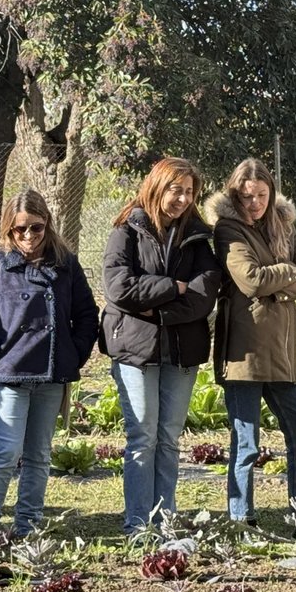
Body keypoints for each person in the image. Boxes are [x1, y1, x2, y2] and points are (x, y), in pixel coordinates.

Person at [0, 190, 99, 537]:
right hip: (7, 372)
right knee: (6, 451)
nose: (27, 237)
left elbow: (86, 314)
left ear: (47, 224)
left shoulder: (65, 262)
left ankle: (28, 524)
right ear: (8, 229)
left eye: (35, 228)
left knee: (39, 454)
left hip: (51, 372)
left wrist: (73, 351)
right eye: (18, 230)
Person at [101, 158, 220, 534]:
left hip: (182, 350)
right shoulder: (127, 229)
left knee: (168, 438)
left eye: (188, 191)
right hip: (135, 350)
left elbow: (204, 295)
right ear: (157, 187)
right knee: (142, 436)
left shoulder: (199, 236)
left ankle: (164, 519)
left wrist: (157, 306)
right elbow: (119, 288)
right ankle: (137, 523)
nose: (182, 198)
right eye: (175, 189)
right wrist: (174, 286)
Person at [206, 158, 296, 524]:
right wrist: (288, 272)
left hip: (283, 350)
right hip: (245, 353)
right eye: (247, 196)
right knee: (246, 445)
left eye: (261, 195)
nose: (254, 203)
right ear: (235, 194)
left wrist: (282, 289)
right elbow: (251, 280)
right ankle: (242, 521)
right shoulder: (228, 230)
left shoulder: (283, 225)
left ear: (271, 195)